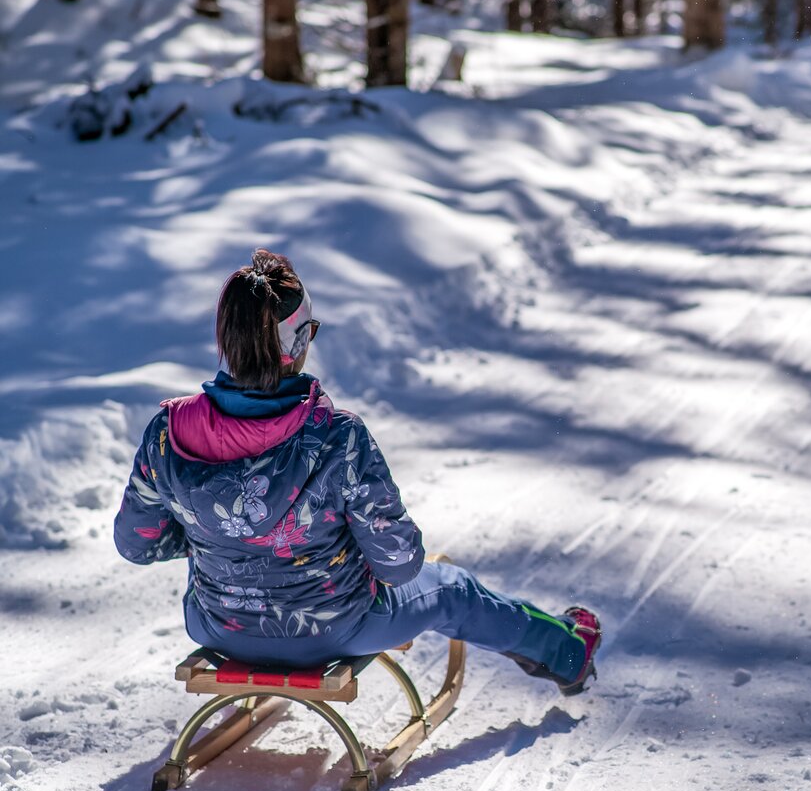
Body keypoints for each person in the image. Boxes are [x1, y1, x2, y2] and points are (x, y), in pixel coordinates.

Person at [113, 249, 601, 695]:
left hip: (217, 626)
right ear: (299, 341)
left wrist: (216, 531)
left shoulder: (167, 433)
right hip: (335, 627)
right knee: (453, 589)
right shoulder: (336, 437)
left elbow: (137, 543)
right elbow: (398, 563)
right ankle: (568, 653)